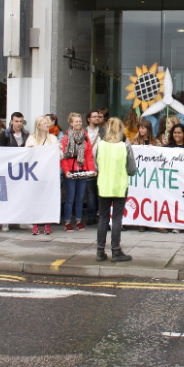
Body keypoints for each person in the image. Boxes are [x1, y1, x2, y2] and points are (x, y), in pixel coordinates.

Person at [94, 117, 133, 262]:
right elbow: (132, 169)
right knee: (116, 219)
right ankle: (116, 250)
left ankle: (100, 251)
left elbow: (96, 165)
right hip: (119, 186)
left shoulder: (100, 145)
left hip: (103, 185)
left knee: (103, 218)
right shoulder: (125, 146)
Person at [60, 112, 96, 231]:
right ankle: (67, 222)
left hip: (82, 170)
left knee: (80, 197)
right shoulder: (66, 138)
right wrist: (66, 171)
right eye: (76, 121)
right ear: (71, 123)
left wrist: (92, 170)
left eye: (80, 121)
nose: (78, 123)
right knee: (70, 198)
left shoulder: (85, 137)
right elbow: (63, 156)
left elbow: (89, 155)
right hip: (70, 171)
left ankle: (79, 220)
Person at [26, 116, 58, 235]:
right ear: (38, 125)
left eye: (47, 123)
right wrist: (29, 149)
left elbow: (58, 155)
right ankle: (35, 223)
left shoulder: (53, 139)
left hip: (49, 173)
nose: (46, 125)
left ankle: (47, 223)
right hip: (36, 173)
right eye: (44, 123)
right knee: (36, 198)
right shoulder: (32, 138)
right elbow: (27, 154)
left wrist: (57, 151)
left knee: (48, 198)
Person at [84, 109, 104, 225]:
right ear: (88, 119)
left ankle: (102, 215)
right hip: (88, 166)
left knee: (101, 192)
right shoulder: (83, 132)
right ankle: (91, 215)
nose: (97, 118)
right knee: (90, 192)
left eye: (98, 117)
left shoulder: (103, 131)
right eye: (94, 117)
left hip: (102, 167)